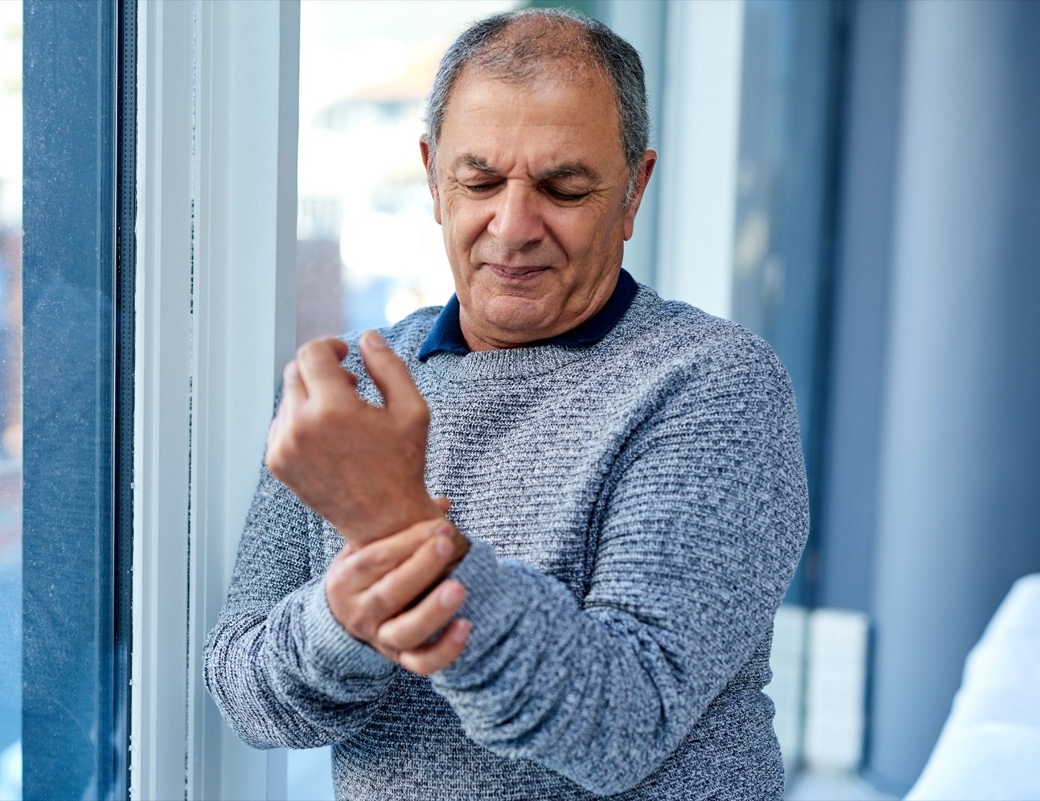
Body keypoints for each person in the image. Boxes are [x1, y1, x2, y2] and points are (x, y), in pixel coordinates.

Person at [205, 8, 808, 800]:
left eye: (565, 187)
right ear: (433, 177)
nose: (513, 226)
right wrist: (342, 619)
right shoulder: (351, 388)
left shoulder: (715, 382)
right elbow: (245, 694)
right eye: (480, 180)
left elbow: (621, 721)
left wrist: (402, 534)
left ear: (634, 190)